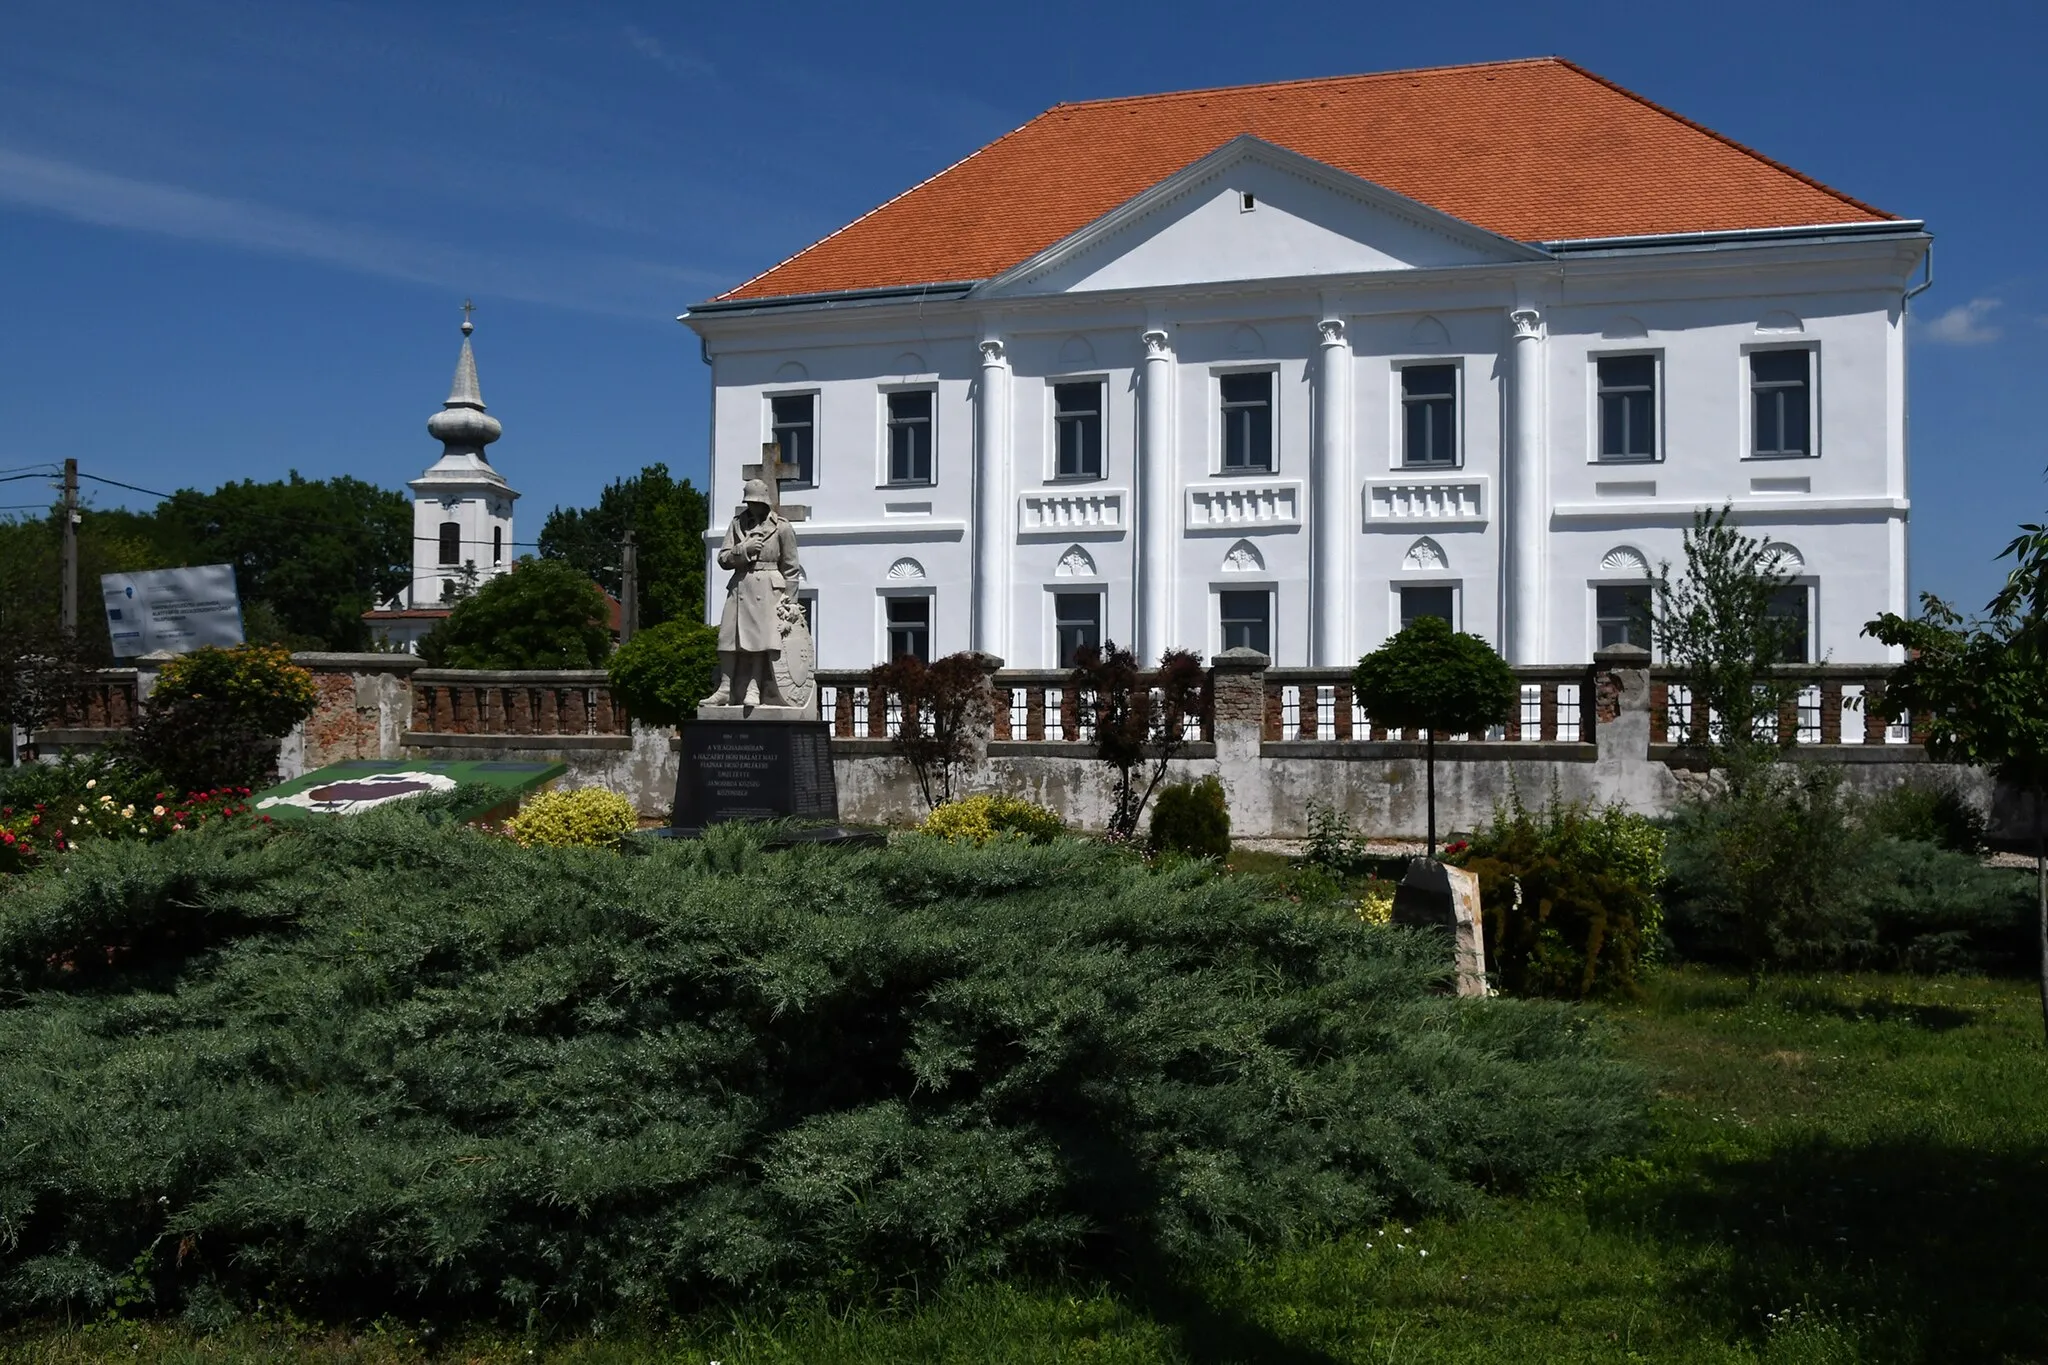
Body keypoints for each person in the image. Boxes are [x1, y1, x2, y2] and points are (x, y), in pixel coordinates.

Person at [701, 479, 802, 708]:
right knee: (727, 639)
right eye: (749, 502)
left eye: (756, 502)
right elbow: (723, 558)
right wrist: (743, 550)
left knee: (760, 640)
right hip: (740, 584)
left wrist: (791, 603)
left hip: (768, 586)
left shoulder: (782, 527)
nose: (752, 506)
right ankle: (725, 688)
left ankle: (754, 687)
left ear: (765, 502)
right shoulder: (737, 524)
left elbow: (791, 568)